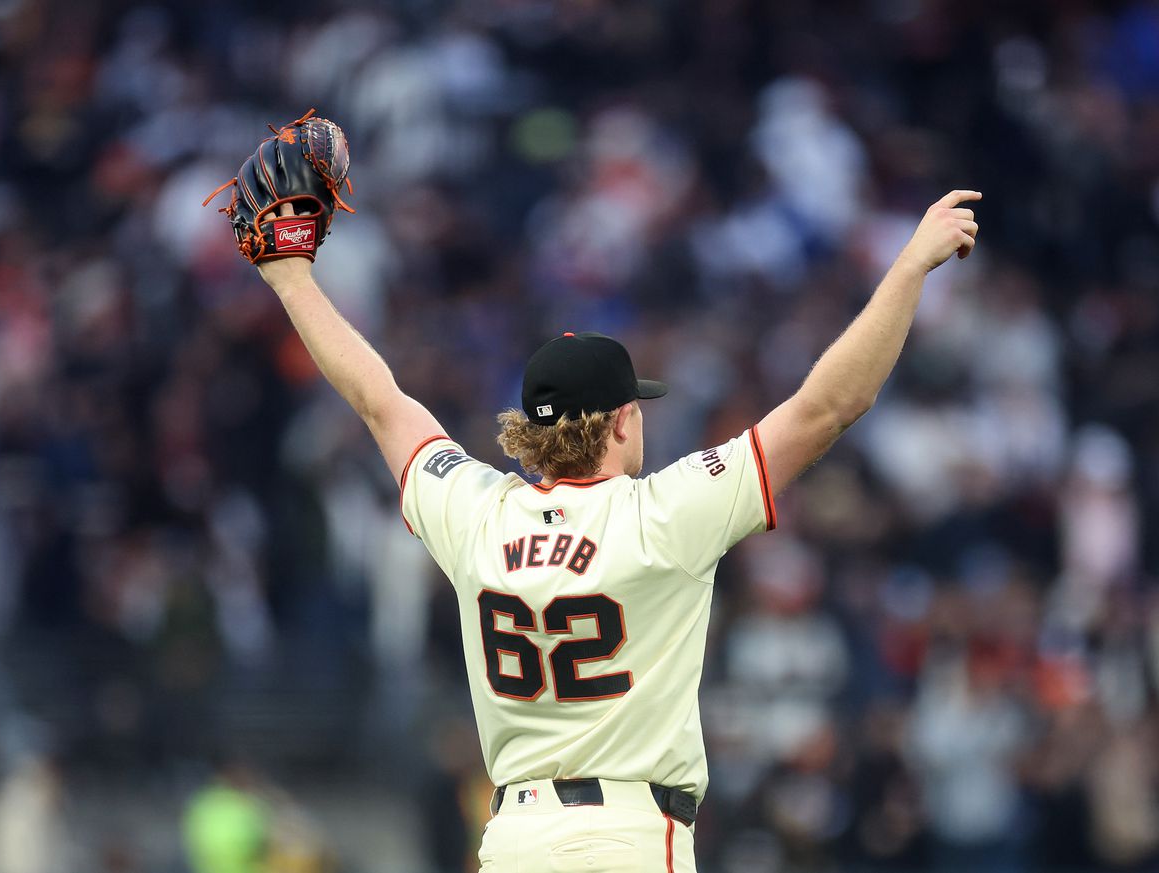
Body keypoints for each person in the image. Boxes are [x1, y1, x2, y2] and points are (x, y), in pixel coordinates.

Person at [254, 190, 980, 872]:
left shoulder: (476, 513)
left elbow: (380, 401)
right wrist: (910, 267)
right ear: (623, 419)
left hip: (512, 839)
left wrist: (291, 278)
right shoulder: (665, 512)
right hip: (627, 836)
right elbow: (830, 405)